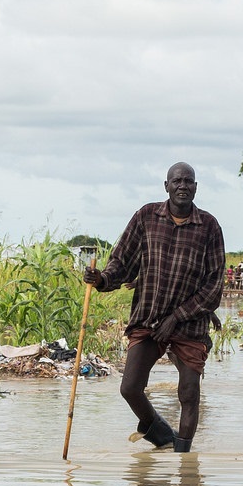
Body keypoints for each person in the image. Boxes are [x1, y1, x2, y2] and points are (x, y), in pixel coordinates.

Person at [85, 162, 226, 451]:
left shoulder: (209, 226)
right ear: (166, 186)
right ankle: (158, 430)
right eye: (177, 181)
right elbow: (122, 262)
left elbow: (214, 286)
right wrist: (102, 279)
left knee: (188, 394)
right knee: (129, 388)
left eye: (188, 181)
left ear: (196, 188)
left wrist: (176, 317)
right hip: (149, 317)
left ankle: (184, 460)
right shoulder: (146, 217)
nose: (183, 186)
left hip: (188, 324)